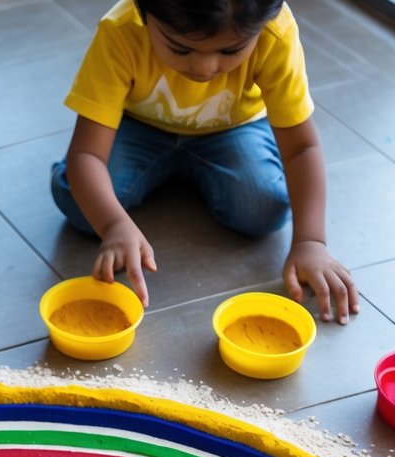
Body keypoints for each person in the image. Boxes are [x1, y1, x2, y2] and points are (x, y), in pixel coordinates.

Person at [51, 0, 358, 324]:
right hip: (139, 126)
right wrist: (114, 225)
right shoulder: (121, 30)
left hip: (233, 129)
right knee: (79, 205)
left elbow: (301, 148)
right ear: (144, 12)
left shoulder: (274, 33)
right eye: (181, 49)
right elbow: (88, 155)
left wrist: (311, 241)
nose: (205, 68)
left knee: (263, 210)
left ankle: (184, 173)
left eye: (231, 50)